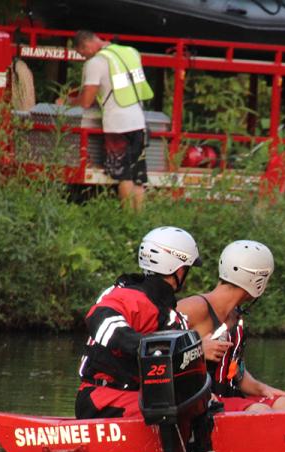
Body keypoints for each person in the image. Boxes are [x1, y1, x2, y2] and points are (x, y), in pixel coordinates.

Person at [76, 227, 200, 419]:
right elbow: (100, 319)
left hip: (133, 397)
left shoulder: (167, 309)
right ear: (180, 269)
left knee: (199, 403)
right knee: (182, 411)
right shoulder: (130, 297)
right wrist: (147, 346)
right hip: (103, 399)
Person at [178, 241, 285, 412]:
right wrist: (197, 350)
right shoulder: (194, 308)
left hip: (228, 397)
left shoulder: (235, 315)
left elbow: (235, 371)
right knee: (260, 411)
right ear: (258, 281)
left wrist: (261, 388)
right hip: (200, 400)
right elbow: (157, 353)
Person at [65, 30, 153, 211]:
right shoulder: (131, 52)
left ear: (85, 46)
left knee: (124, 176)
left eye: (82, 54)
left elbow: (87, 101)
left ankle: (127, 220)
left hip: (117, 125)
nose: (84, 57)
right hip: (138, 121)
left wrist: (68, 102)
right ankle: (138, 222)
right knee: (138, 177)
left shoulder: (96, 62)